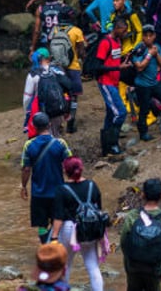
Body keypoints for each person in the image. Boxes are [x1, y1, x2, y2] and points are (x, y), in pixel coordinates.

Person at [49, 157, 105, 290]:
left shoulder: (62, 190)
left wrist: (54, 237)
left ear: (65, 171)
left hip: (70, 230)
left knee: (65, 265)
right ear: (82, 168)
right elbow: (99, 209)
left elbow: (58, 216)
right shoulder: (92, 185)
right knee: (93, 267)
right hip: (91, 229)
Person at [21, 112, 73, 243]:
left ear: (34, 126)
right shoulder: (60, 143)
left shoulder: (29, 145)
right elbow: (70, 164)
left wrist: (23, 186)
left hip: (39, 193)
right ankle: (56, 243)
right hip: (58, 191)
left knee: (41, 223)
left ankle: (46, 245)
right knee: (59, 218)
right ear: (49, 125)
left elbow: (26, 169)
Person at [120, 177, 161, 290]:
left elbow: (123, 242)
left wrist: (128, 265)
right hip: (154, 268)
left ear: (142, 195)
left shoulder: (132, 216)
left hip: (133, 266)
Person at [131, 25, 161, 142]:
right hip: (142, 85)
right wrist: (149, 55)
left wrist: (156, 54)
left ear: (154, 36)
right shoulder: (138, 49)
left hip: (154, 83)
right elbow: (139, 67)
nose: (149, 38)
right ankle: (143, 133)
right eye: (146, 36)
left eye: (151, 35)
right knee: (144, 110)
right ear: (142, 37)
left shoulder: (157, 47)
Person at [95, 18, 130, 156]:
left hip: (114, 82)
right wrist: (118, 66)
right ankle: (113, 143)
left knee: (111, 113)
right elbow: (99, 65)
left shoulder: (118, 42)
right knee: (120, 112)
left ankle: (105, 147)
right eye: (124, 30)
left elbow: (114, 59)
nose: (125, 33)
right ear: (116, 28)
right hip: (105, 82)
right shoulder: (105, 42)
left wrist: (123, 60)